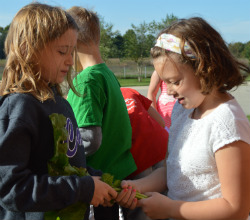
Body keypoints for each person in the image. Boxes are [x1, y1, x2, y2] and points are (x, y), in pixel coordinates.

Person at [116, 17, 250, 220]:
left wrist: (172, 209)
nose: (168, 92)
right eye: (165, 83)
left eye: (175, 82)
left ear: (204, 68)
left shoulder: (226, 122)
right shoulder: (182, 112)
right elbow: (173, 172)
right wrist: (135, 186)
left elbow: (236, 208)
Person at [0, 3, 117, 220]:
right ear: (28, 49)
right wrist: (82, 189)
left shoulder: (59, 102)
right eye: (62, 51)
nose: (70, 61)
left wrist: (100, 183)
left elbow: (68, 167)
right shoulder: (20, 107)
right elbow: (11, 189)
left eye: (72, 52)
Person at [66, 7, 137, 220]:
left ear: (73, 40)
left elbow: (89, 140)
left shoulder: (85, 81)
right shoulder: (107, 73)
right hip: (116, 175)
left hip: (97, 184)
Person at [120, 87, 168, 220]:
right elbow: (161, 122)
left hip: (137, 159)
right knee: (166, 205)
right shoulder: (128, 91)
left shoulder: (101, 99)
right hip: (161, 147)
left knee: (141, 209)